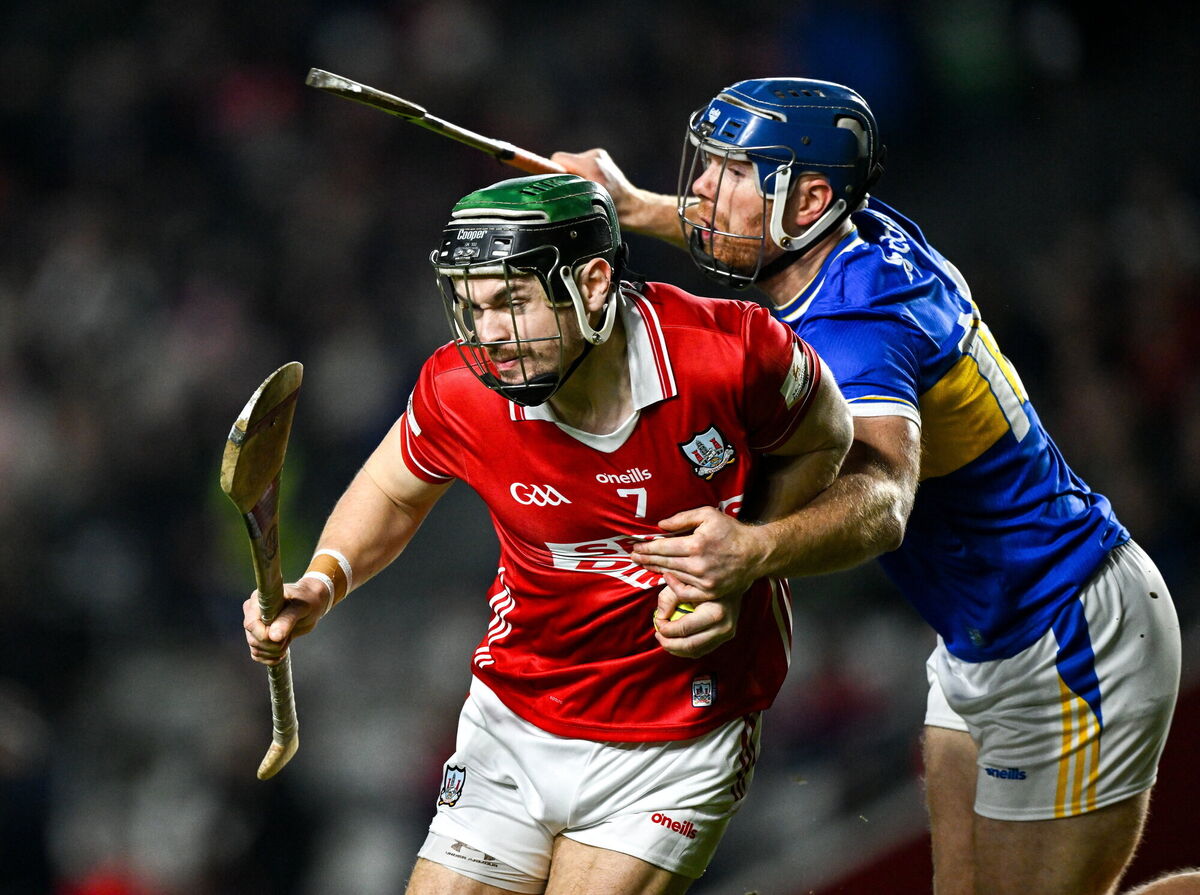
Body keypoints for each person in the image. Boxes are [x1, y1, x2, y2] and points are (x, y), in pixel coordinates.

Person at [551, 78, 1182, 895]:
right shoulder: (859, 234)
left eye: (733, 173)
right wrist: (632, 204)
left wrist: (754, 550)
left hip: (1064, 633)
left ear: (810, 197)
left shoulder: (856, 327)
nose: (702, 190)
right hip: (985, 637)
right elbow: (747, 229)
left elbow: (884, 497)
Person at [243, 172, 853, 894]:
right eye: (472, 307)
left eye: (511, 301)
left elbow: (829, 442)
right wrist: (324, 579)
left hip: (681, 728)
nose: (489, 333)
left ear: (593, 281)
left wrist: (749, 550)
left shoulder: (731, 355)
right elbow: (391, 487)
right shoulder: (461, 389)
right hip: (519, 716)